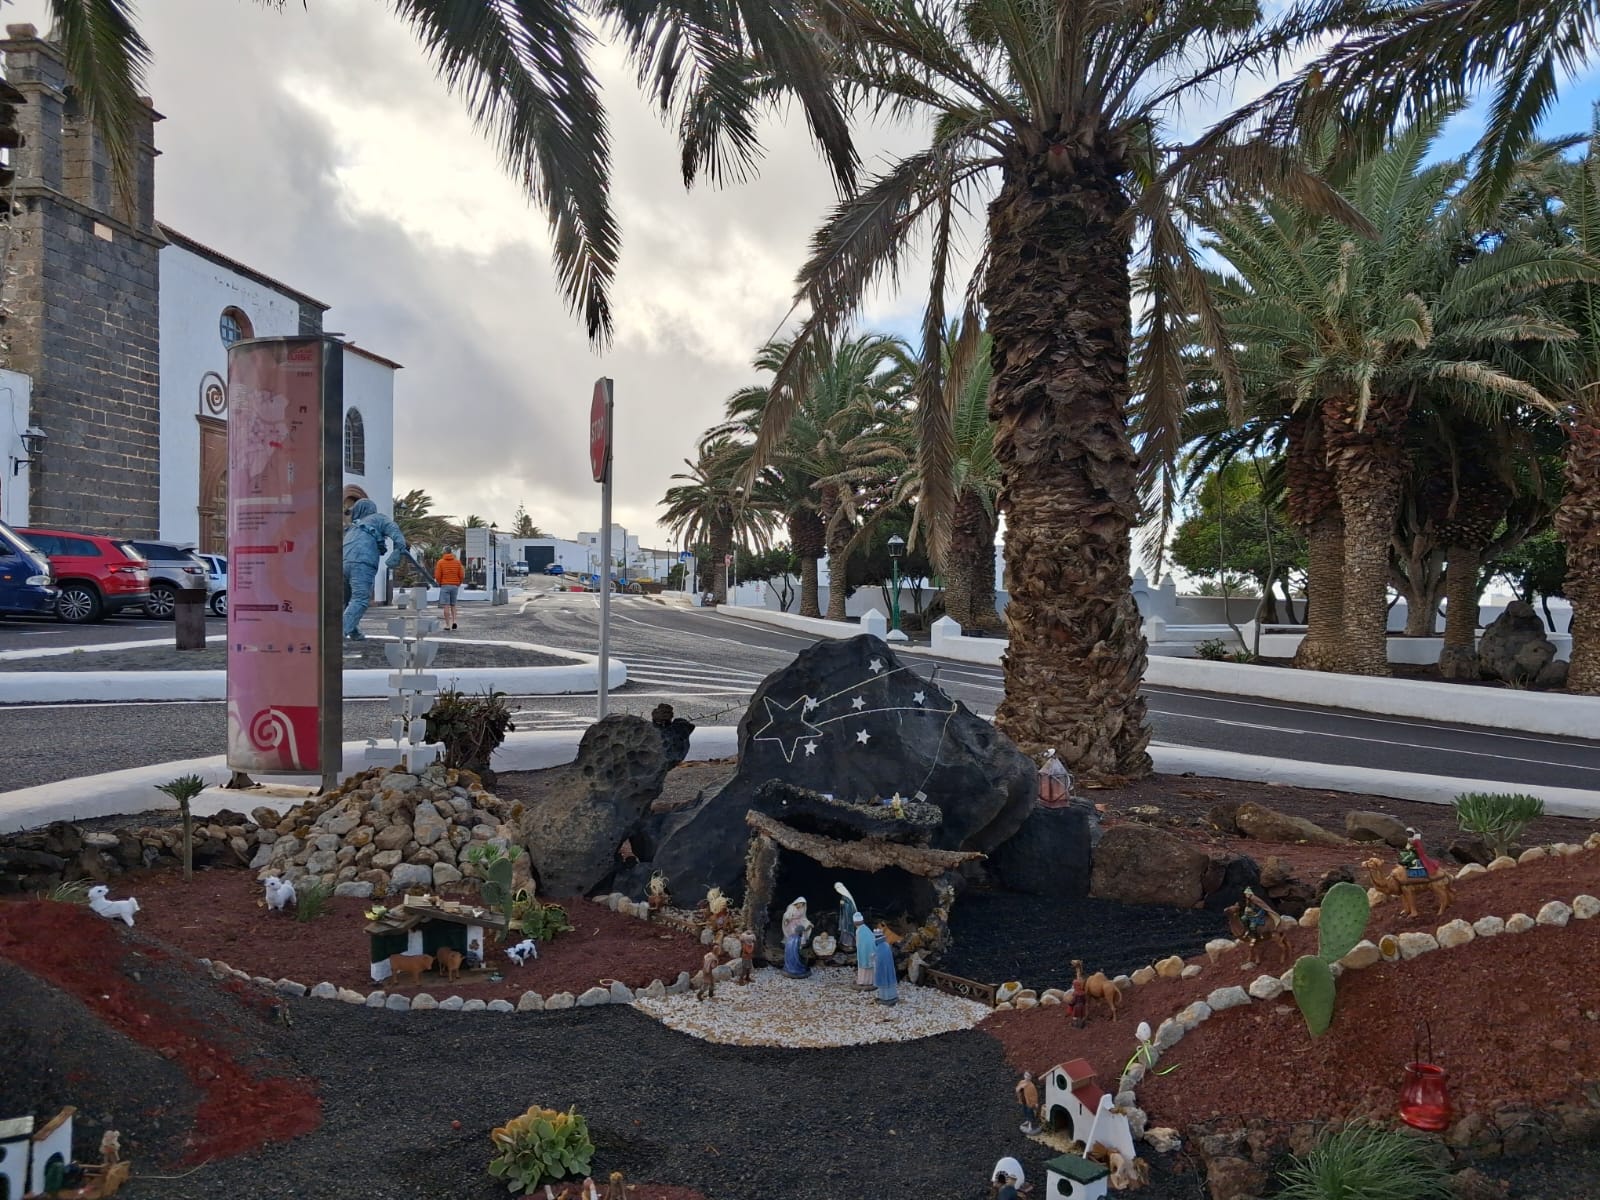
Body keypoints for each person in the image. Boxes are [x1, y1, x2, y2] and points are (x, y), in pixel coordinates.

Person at [342, 498, 406, 641]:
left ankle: (353, 630)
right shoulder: (379, 519)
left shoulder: (352, 528)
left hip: (343, 562)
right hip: (363, 562)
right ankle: (341, 631)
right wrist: (398, 551)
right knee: (360, 599)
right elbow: (396, 533)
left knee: (346, 600)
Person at [433, 548, 465, 629]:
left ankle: (447, 625)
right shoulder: (457, 562)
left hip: (445, 585)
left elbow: (437, 575)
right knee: (453, 605)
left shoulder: (441, 562)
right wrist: (459, 583)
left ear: (444, 552)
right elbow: (461, 575)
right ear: (451, 552)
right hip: (455, 586)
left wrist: (439, 582)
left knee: (446, 606)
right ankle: (454, 621)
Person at [781, 897, 811, 978]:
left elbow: (803, 918)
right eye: (800, 903)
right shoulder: (791, 907)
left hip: (799, 924)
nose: (801, 905)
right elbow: (786, 915)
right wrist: (787, 919)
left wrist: (807, 923)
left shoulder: (802, 909)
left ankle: (800, 946)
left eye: (803, 904)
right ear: (797, 902)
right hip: (792, 924)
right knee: (793, 938)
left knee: (800, 937)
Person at [873, 924, 897, 1005]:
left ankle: (885, 998)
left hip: (882, 968)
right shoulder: (886, 945)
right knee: (889, 983)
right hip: (889, 967)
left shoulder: (880, 947)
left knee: (884, 983)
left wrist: (873, 958)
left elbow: (879, 959)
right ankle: (892, 996)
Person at [834, 881, 858, 953]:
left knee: (848, 929)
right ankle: (844, 943)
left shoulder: (847, 896)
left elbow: (850, 907)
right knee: (844, 929)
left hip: (849, 918)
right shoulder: (843, 896)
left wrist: (844, 904)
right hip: (845, 917)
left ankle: (850, 944)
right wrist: (842, 904)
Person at [853, 912, 874, 989]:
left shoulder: (859, 931)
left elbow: (859, 943)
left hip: (864, 951)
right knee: (870, 966)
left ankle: (862, 981)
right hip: (871, 951)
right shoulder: (866, 929)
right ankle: (870, 981)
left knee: (863, 966)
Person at [1016, 1070, 1040, 1134]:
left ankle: (1030, 1125)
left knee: (1030, 1113)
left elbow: (1034, 1095)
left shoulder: (1031, 1086)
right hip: (1023, 1100)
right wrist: (1020, 1087)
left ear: (1030, 1077)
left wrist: (1035, 1103)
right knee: (1025, 1111)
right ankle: (1027, 1120)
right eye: (1025, 1075)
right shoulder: (1021, 1082)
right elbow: (1017, 1089)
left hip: (1030, 1103)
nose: (1026, 1077)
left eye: (1028, 1076)